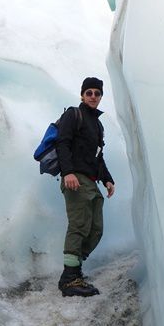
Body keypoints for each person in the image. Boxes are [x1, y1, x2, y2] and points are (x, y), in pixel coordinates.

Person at [56, 77, 115, 297]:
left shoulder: (97, 124)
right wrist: (67, 172)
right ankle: (70, 279)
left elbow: (98, 157)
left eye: (97, 93)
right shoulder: (74, 114)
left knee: (95, 229)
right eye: (88, 92)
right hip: (75, 178)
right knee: (79, 225)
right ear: (82, 95)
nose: (93, 96)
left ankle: (74, 271)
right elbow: (62, 142)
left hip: (90, 180)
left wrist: (107, 179)